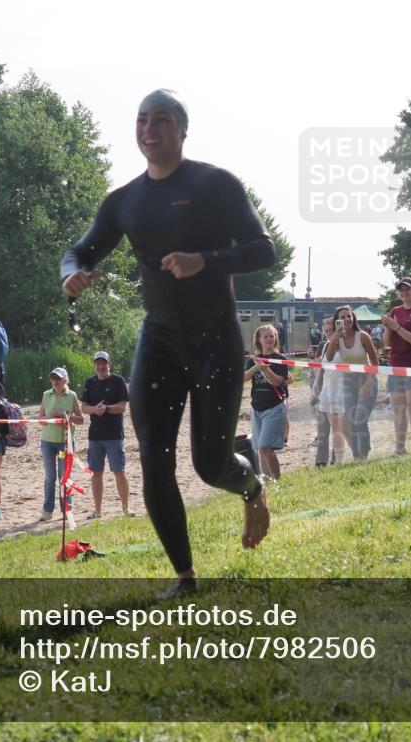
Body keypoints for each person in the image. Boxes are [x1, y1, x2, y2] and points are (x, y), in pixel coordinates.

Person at [61, 89, 274, 596]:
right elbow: (80, 250)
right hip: (159, 339)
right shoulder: (125, 201)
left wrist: (206, 259)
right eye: (141, 120)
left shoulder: (215, 184)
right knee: (154, 456)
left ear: (182, 128)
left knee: (209, 463)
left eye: (160, 120)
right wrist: (72, 274)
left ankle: (251, 485)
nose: (148, 129)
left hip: (215, 339)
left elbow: (263, 249)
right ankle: (184, 577)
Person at [381, 278, 411, 455]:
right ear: (397, 293)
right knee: (398, 408)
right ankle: (399, 448)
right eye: (401, 290)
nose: (404, 292)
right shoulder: (395, 310)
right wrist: (388, 327)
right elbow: (387, 343)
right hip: (396, 365)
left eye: (407, 289)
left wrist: (397, 327)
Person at [81, 351, 133, 518]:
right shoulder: (90, 382)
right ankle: (98, 510)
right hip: (95, 436)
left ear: (109, 364)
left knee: (119, 471)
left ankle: (126, 508)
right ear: (94, 365)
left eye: (104, 363)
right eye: (98, 363)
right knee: (96, 473)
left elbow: (122, 407)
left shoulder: (118, 381)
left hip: (114, 435)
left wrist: (107, 408)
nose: (101, 366)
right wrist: (95, 410)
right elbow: (84, 407)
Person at [326, 306, 380, 460]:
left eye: (349, 316)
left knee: (359, 419)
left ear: (353, 318)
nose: (346, 320)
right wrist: (334, 338)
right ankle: (357, 455)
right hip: (348, 380)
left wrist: (368, 384)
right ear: (337, 321)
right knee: (350, 420)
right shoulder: (337, 340)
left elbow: (375, 363)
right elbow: (329, 358)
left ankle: (363, 455)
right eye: (342, 317)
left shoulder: (363, 336)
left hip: (366, 378)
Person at [38, 367, 85, 526]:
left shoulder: (72, 395)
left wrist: (67, 417)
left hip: (66, 443)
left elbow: (81, 419)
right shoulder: (46, 394)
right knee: (49, 478)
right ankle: (47, 510)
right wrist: (50, 417)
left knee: (64, 478)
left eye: (58, 378)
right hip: (47, 442)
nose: (55, 381)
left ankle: (66, 509)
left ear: (66, 380)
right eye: (53, 378)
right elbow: (40, 420)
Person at [243, 325, 289, 479]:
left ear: (276, 338)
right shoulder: (254, 359)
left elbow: (277, 382)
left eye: (272, 336)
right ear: (259, 339)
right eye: (266, 336)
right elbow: (244, 378)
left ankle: (276, 482)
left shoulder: (281, 359)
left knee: (265, 448)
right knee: (260, 449)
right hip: (257, 408)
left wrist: (265, 370)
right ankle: (268, 482)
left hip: (274, 407)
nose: (269, 339)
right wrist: (257, 366)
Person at [312, 316, 349, 466]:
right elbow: (322, 367)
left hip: (340, 391)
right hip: (325, 390)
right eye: (326, 331)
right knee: (322, 429)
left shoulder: (346, 344)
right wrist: (315, 386)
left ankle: (337, 460)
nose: (328, 333)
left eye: (331, 330)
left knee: (337, 429)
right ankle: (321, 462)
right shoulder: (326, 345)